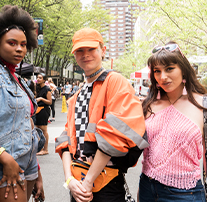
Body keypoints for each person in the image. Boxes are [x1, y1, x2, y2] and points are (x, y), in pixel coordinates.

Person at [55, 27, 148, 202]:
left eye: (91, 49)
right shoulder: (77, 94)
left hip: (105, 183)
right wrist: (69, 180)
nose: (85, 55)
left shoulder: (115, 81)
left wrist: (88, 181)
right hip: (79, 181)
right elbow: (66, 140)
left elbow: (116, 135)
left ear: (103, 51)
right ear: (74, 55)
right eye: (80, 51)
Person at [0, 5, 44, 202]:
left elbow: (25, 127)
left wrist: (36, 170)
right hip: (2, 168)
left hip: (25, 165)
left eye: (23, 44)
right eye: (12, 43)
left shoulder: (17, 78)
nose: (19, 49)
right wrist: (2, 156)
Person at [139, 42, 207, 201]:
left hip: (185, 193)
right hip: (147, 187)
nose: (162, 77)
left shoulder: (203, 104)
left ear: (183, 69)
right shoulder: (148, 105)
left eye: (169, 68)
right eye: (157, 71)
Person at [35, 73, 52, 156]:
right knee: (38, 129)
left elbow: (50, 102)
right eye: (37, 77)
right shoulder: (37, 88)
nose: (38, 79)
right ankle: (40, 148)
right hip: (37, 110)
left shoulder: (47, 89)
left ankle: (45, 149)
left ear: (44, 80)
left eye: (40, 78)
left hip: (44, 110)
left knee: (43, 129)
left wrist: (41, 98)